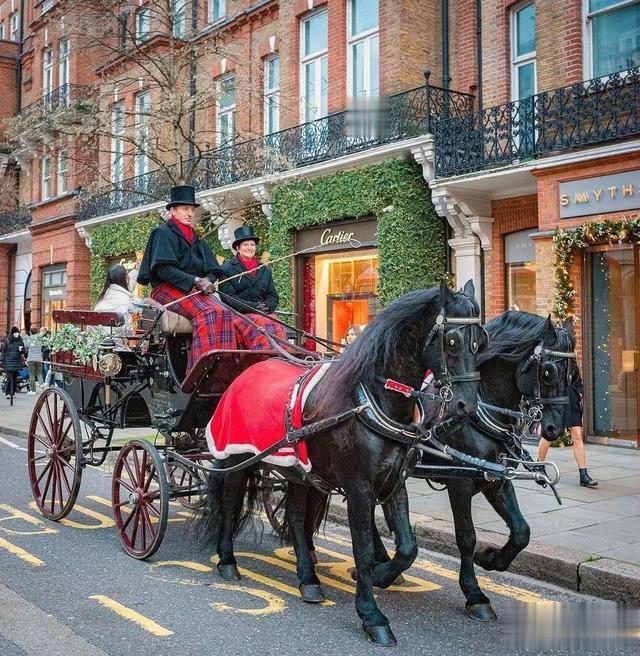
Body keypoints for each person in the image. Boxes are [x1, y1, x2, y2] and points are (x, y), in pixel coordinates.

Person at [137, 185, 275, 373]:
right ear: (173, 210)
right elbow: (163, 269)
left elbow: (212, 269)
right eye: (185, 209)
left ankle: (227, 369)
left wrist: (207, 280)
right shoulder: (162, 233)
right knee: (209, 312)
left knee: (224, 312)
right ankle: (202, 372)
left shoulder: (196, 238)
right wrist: (195, 280)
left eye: (192, 209)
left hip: (193, 289)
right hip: (166, 289)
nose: (190, 213)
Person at [219, 225, 288, 344]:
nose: (249, 248)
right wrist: (254, 307)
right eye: (245, 245)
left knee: (276, 322)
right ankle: (264, 355)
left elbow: (272, 294)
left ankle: (283, 355)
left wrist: (267, 306)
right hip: (240, 314)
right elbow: (229, 298)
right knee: (261, 322)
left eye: (252, 245)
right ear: (238, 247)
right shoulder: (226, 269)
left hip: (263, 312)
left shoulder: (264, 269)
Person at [538, 373, 598, 488]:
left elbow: (577, 376)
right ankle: (539, 467)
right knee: (550, 435)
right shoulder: (551, 356)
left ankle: (584, 475)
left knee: (577, 435)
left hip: (572, 399)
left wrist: (578, 392)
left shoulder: (571, 358)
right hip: (556, 399)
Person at [1, 327, 26, 399]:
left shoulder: (20, 340)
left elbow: (23, 351)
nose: (17, 334)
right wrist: (2, 361)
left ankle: (13, 392)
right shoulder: (7, 340)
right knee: (9, 378)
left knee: (15, 378)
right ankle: (8, 393)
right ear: (12, 333)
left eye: (17, 332)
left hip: (17, 361)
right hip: (8, 361)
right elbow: (3, 351)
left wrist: (22, 350)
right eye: (15, 333)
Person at [26, 327, 43, 394]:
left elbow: (27, 346)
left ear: (31, 332)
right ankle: (41, 384)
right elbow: (42, 345)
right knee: (39, 373)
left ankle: (33, 390)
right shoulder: (40, 338)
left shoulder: (29, 338)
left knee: (32, 374)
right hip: (39, 358)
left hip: (31, 358)